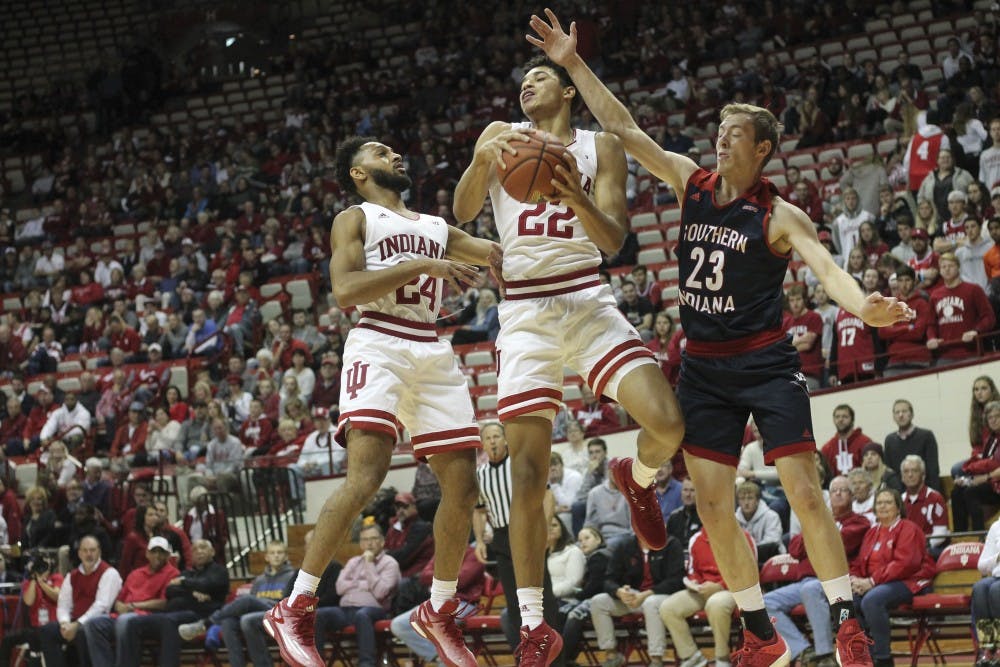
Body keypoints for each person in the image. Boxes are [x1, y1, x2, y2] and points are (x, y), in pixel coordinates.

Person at [526, 11, 914, 666]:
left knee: (803, 488)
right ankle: (759, 630)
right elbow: (623, 127)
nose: (719, 142)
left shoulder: (778, 214)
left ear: (761, 149)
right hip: (704, 367)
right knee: (711, 503)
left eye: (732, 136)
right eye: (718, 132)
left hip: (763, 362)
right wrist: (572, 64)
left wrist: (864, 306)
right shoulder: (692, 182)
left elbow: (829, 273)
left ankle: (846, 614)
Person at [453, 47, 685, 663]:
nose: (527, 85)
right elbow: (461, 210)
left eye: (539, 78)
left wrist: (571, 193)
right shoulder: (502, 138)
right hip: (526, 313)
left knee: (667, 421)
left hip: (586, 297)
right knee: (525, 473)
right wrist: (481, 161)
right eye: (523, 80)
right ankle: (534, 623)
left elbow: (613, 238)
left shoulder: (600, 146)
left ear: (566, 92)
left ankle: (635, 481)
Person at [266, 135, 502, 667]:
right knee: (365, 479)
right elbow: (346, 290)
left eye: (395, 150)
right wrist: (425, 267)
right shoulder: (355, 218)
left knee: (463, 488)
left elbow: (496, 257)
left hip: (432, 349)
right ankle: (296, 604)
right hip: (379, 340)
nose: (394, 155)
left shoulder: (436, 229)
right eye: (379, 152)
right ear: (357, 172)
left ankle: (438, 610)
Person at [472, 423, 562, 659]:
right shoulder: (480, 475)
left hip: (529, 531)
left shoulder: (519, 465)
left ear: (506, 440)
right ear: (482, 444)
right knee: (514, 605)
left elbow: (547, 494)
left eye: (496, 436)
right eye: (488, 438)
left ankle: (555, 660)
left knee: (544, 600)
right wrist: (480, 541)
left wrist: (545, 526)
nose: (492, 441)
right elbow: (479, 510)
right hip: (501, 539)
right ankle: (526, 659)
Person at [765, 476, 870, 667]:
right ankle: (803, 650)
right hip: (804, 581)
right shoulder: (815, 522)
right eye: (834, 490)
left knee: (811, 589)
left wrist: (816, 533)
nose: (837, 493)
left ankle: (825, 654)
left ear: (852, 496)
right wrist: (816, 531)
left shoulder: (859, 522)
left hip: (834, 581)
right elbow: (795, 548)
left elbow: (835, 543)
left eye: (843, 490)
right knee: (766, 603)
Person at [850, 489, 935, 666]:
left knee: (872, 600)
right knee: (849, 600)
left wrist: (871, 582)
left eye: (888, 502)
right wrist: (855, 580)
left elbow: (905, 564)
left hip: (909, 581)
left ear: (898, 508)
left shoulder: (909, 528)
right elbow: (859, 562)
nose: (883, 506)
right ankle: (866, 656)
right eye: (879, 503)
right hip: (877, 583)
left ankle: (883, 658)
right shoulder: (872, 533)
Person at [177, 540, 295, 667]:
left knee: (247, 603)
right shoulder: (259, 580)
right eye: (272, 553)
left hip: (279, 614)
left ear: (286, 556)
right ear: (266, 557)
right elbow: (252, 605)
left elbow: (288, 605)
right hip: (259, 616)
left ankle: (207, 623)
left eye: (280, 552)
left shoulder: (292, 576)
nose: (276, 555)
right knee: (228, 622)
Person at [588, 531, 686, 667]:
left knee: (650, 603)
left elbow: (676, 580)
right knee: (598, 601)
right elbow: (609, 579)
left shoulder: (670, 543)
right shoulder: (625, 546)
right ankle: (612, 655)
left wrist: (646, 594)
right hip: (635, 597)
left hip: (663, 596)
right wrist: (619, 592)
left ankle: (656, 659)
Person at [659, 527, 750, 667]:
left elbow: (749, 571)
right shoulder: (696, 539)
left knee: (715, 604)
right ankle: (692, 657)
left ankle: (722, 657)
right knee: (668, 607)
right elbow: (692, 571)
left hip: (733, 589)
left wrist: (720, 585)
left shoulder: (741, 536)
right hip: (703, 589)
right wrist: (694, 582)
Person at [84, 536, 181, 667]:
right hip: (123, 615)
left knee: (125, 621)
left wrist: (132, 606)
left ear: (168, 555)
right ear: (147, 554)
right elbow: (119, 599)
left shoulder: (173, 574)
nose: (157, 555)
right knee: (92, 625)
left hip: (147, 618)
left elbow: (164, 603)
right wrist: (119, 605)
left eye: (161, 552)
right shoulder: (136, 573)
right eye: (154, 551)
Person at [314, 523, 401, 667]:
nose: (369, 543)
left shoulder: (390, 563)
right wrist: (365, 585)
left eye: (373, 538)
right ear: (360, 543)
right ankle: (316, 663)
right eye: (365, 540)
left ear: (382, 541)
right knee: (319, 614)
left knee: (362, 615)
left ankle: (366, 664)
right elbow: (340, 588)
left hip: (376, 611)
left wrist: (369, 564)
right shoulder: (353, 562)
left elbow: (380, 593)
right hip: (346, 610)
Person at [41, 535, 123, 667]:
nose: (88, 554)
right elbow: (63, 605)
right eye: (85, 550)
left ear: (99, 552)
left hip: (99, 623)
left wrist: (77, 624)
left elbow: (102, 606)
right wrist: (65, 624)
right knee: (48, 631)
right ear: (79, 553)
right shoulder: (71, 576)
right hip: (74, 622)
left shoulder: (109, 573)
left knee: (82, 633)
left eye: (92, 550)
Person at [953, 400, 1000, 532]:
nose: (993, 420)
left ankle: (979, 535)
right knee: (957, 491)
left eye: (997, 416)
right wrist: (967, 480)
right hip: (989, 481)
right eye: (990, 417)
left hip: (996, 484)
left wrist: (985, 478)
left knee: (971, 492)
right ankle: (960, 535)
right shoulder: (990, 439)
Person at [883, 400, 941, 492]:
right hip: (899, 494)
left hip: (924, 492)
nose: (901, 415)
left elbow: (933, 470)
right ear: (893, 417)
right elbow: (889, 472)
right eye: (897, 412)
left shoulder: (926, 436)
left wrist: (932, 494)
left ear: (912, 414)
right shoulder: (889, 440)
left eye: (904, 411)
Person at [899, 455, 949, 558]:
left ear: (923, 475)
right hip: (906, 548)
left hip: (930, 548)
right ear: (902, 477)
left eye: (915, 471)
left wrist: (920, 546)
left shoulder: (935, 498)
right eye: (906, 471)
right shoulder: (899, 500)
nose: (910, 475)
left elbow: (941, 533)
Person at [820, 405, 874, 478]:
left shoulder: (865, 443)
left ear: (852, 419)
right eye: (837, 417)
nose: (840, 420)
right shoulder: (827, 448)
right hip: (837, 488)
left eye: (845, 416)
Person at [974, 518, 1000, 665]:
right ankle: (987, 648)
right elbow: (981, 566)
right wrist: (997, 557)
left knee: (996, 590)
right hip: (997, 577)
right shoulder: (996, 526)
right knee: (980, 588)